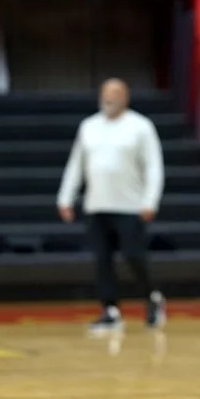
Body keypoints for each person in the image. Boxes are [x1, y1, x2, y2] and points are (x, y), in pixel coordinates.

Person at [56, 78, 167, 332]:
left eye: (115, 93)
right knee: (102, 260)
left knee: (133, 256)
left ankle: (152, 297)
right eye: (106, 93)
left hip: (130, 206)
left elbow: (153, 166)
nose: (110, 98)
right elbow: (76, 165)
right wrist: (65, 197)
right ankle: (110, 310)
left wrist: (150, 200)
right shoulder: (89, 126)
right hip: (97, 205)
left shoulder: (141, 126)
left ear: (125, 97)